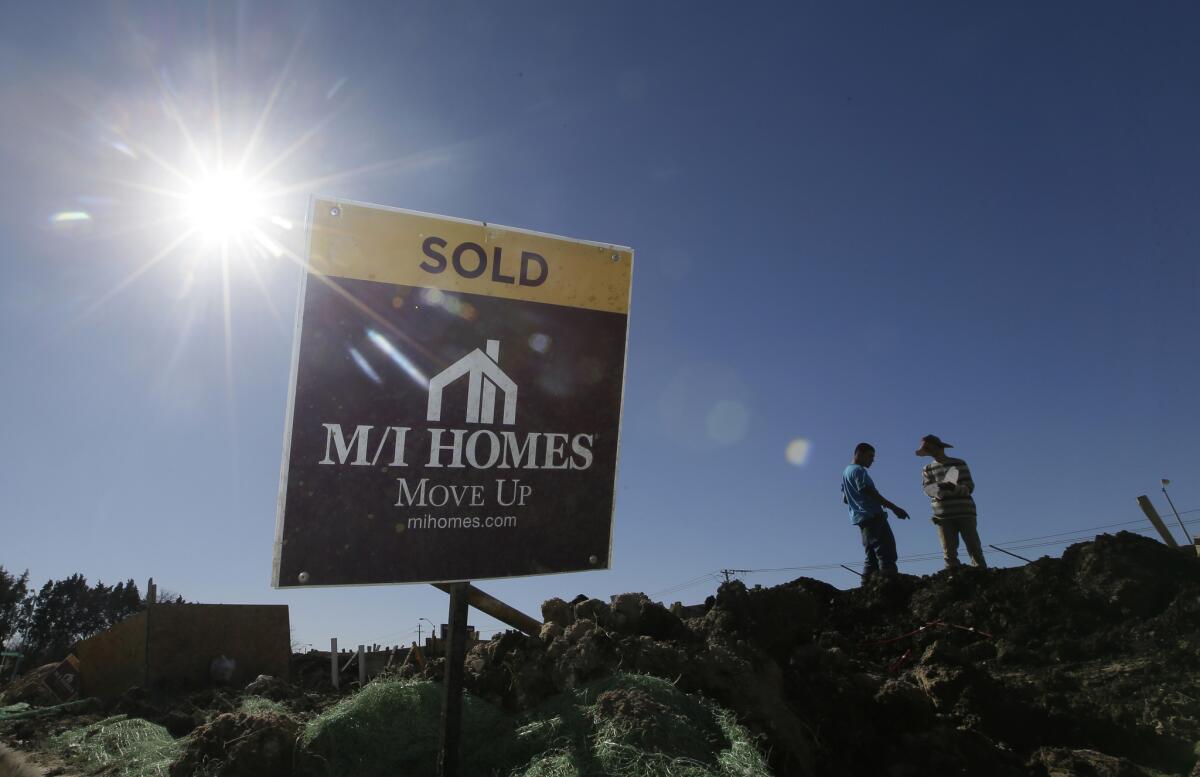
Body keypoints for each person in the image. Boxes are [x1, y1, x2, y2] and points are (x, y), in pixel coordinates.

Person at [916, 434, 987, 569]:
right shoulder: (927, 469)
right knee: (948, 551)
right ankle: (953, 577)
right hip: (942, 514)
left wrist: (954, 488)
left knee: (974, 547)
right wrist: (939, 490)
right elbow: (926, 489)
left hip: (964, 511)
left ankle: (981, 573)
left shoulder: (959, 463)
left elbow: (969, 486)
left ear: (938, 447)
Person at [841, 442, 909, 579]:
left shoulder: (847, 472)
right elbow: (867, 491)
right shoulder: (858, 471)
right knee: (886, 551)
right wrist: (894, 508)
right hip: (872, 516)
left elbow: (845, 499)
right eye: (870, 456)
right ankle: (888, 583)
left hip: (861, 519)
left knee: (871, 555)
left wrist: (857, 503)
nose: (872, 460)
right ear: (859, 453)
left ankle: (866, 586)